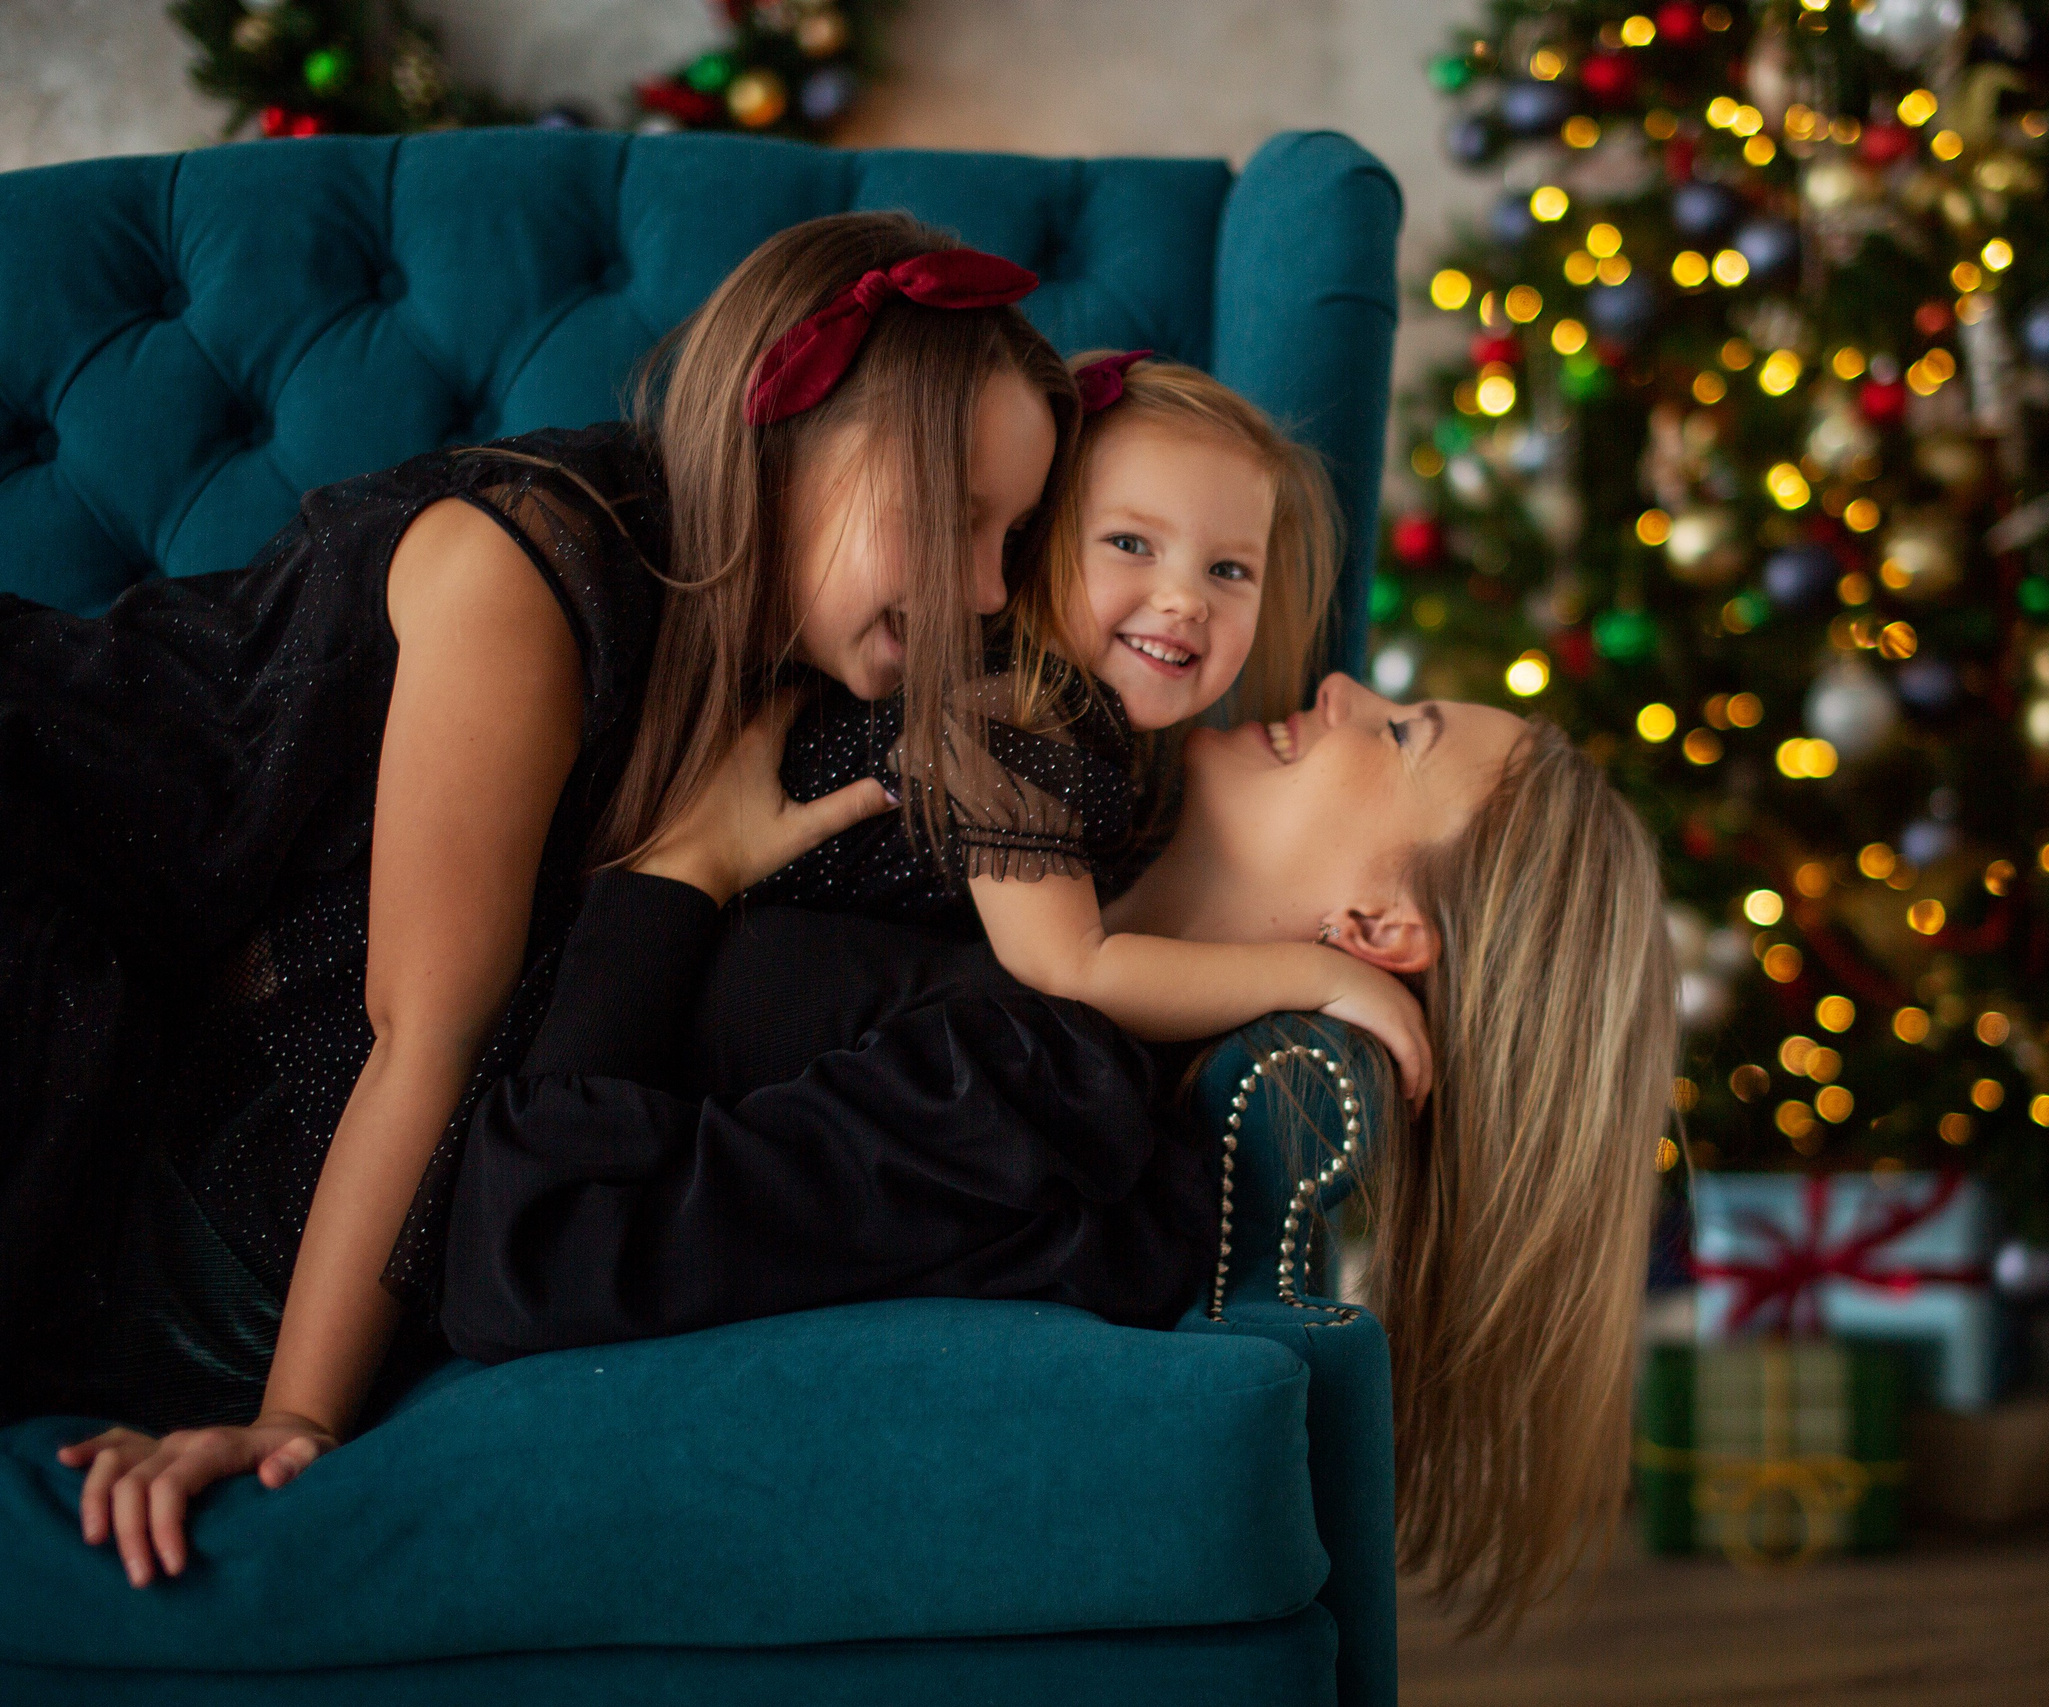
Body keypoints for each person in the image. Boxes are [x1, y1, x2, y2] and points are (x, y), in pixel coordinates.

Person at [1, 210, 1077, 1588]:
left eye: (1013, 536)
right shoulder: (530, 571)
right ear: (786, 437)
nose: (984, 588)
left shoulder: (782, 671)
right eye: (955, 516)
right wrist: (296, 1420)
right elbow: (422, 1033)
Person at [445, 670, 1680, 1631]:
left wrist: (676, 871)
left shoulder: (1040, 1095)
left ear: (1377, 925)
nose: (1344, 688)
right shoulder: (1030, 894)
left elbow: (541, 1250)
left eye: (1402, 733)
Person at [739, 344, 1432, 1099]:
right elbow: (1071, 967)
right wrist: (1320, 976)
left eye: (1228, 570)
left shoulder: (1101, 740)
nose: (1185, 600)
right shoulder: (1009, 713)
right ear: (1039, 547)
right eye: (1130, 545)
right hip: (745, 993)